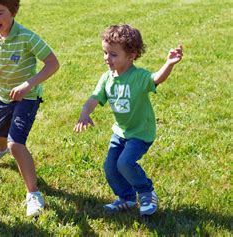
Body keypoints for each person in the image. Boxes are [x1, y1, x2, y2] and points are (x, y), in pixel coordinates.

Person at [74, 24, 183, 216]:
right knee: (110, 167)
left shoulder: (138, 77)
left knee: (124, 163)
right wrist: (85, 113)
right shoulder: (107, 78)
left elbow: (157, 78)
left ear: (131, 55)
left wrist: (169, 64)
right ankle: (126, 198)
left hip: (141, 132)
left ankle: (146, 192)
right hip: (120, 132)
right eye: (105, 53)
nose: (107, 58)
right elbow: (94, 98)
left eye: (113, 54)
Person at [0, 0, 59, 217]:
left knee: (16, 143)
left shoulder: (27, 36)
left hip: (27, 97)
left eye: (0, 13)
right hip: (2, 96)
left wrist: (28, 84)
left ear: (13, 11)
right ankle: (0, 150)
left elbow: (53, 63)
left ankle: (33, 194)